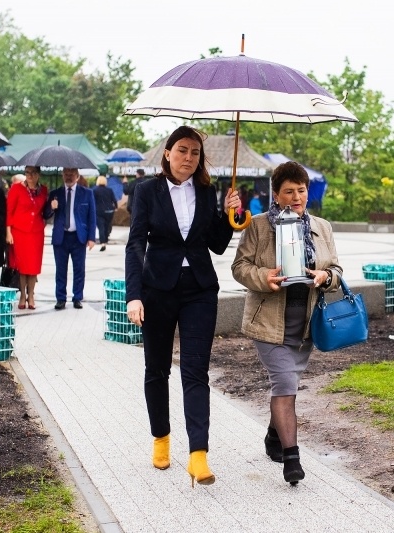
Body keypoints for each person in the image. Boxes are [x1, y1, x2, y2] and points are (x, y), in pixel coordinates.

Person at [125, 126, 241, 486]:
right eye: (182, 151)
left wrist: (229, 215)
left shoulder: (207, 190)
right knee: (157, 369)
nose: (188, 158)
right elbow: (135, 244)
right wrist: (134, 295)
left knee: (196, 371)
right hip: (157, 289)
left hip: (199, 291)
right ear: (167, 153)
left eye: (194, 152)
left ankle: (198, 455)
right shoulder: (146, 191)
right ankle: (161, 439)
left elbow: (217, 245)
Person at [231, 161, 343, 486]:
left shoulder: (322, 227)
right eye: (288, 191)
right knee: (285, 385)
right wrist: (263, 277)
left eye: (301, 190)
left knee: (287, 384)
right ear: (276, 194)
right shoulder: (260, 226)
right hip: (268, 322)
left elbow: (336, 270)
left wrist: (325, 276)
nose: (296, 196)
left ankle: (272, 435)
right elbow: (240, 267)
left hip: (305, 324)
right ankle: (292, 459)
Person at [48, 167, 96, 310]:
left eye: (72, 175)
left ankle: (77, 297)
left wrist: (92, 237)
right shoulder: (55, 194)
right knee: (60, 269)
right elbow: (45, 214)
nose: (68, 177)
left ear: (77, 176)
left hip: (78, 237)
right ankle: (61, 298)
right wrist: (52, 207)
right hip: (61, 237)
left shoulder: (87, 193)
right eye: (66, 174)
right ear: (62, 175)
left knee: (79, 269)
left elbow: (92, 216)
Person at [6, 166, 50, 310]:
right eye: (27, 173)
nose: (30, 176)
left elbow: (45, 212)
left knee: (33, 266)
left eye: (33, 173)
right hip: (19, 231)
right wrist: (8, 232)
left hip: (36, 232)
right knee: (22, 265)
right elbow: (9, 211)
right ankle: (23, 295)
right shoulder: (16, 188)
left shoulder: (43, 190)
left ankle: (31, 295)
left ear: (39, 175)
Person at [93, 176, 117, 251]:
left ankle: (103, 242)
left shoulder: (95, 190)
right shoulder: (109, 190)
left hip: (99, 211)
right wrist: (116, 207)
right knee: (107, 225)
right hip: (109, 211)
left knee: (101, 227)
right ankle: (106, 239)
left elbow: (92, 201)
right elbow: (114, 200)